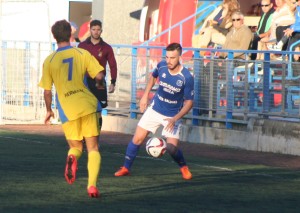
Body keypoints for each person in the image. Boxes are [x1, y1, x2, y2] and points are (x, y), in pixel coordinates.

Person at [38, 20, 105, 198]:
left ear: (54, 36)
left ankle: (72, 157)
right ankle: (92, 186)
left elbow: (47, 92)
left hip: (67, 110)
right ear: (70, 34)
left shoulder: (49, 60)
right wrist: (99, 82)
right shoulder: (81, 53)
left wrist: (49, 110)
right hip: (88, 105)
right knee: (93, 149)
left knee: (76, 147)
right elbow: (99, 75)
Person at [114, 43, 194, 180]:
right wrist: (145, 95)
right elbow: (153, 77)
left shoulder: (186, 77)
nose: (169, 61)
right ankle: (126, 168)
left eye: (172, 58)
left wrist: (175, 118)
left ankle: (184, 167)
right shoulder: (161, 66)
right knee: (138, 138)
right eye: (167, 57)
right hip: (155, 109)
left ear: (179, 57)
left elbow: (189, 103)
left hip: (173, 115)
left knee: (171, 148)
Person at [78, 19, 117, 131]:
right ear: (90, 30)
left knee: (99, 110)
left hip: (99, 82)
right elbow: (77, 63)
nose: (96, 32)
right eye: (93, 29)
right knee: (85, 109)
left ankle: (96, 135)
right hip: (85, 81)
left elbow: (113, 65)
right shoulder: (82, 45)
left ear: (101, 31)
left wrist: (113, 82)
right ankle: (84, 136)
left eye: (98, 29)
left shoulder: (106, 48)